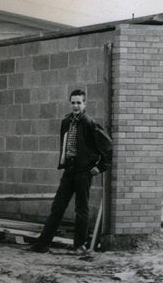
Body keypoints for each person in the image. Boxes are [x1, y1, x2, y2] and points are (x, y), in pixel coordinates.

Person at [29, 89, 112, 254]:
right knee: (57, 206)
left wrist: (100, 167)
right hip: (69, 170)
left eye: (79, 102)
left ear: (85, 104)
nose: (76, 106)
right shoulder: (66, 122)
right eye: (73, 102)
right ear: (70, 103)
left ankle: (79, 246)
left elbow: (108, 147)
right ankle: (42, 244)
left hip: (84, 172)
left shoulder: (90, 123)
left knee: (81, 209)